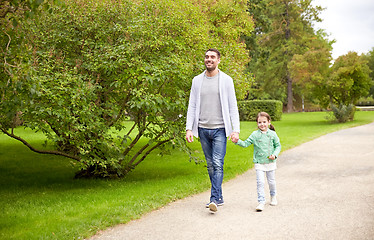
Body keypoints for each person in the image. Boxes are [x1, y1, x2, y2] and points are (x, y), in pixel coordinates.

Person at [185, 48, 240, 213]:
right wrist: (189, 128)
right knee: (210, 165)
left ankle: (214, 199)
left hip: (220, 130)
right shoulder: (196, 80)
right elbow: (192, 105)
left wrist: (235, 129)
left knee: (217, 163)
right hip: (202, 129)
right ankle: (219, 196)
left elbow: (232, 106)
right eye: (207, 57)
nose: (209, 59)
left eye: (213, 57)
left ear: (218, 60)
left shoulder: (226, 80)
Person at [232, 112, 281, 212]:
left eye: (264, 122)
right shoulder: (255, 135)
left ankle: (273, 196)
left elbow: (278, 146)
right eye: (259, 122)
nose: (262, 124)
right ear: (257, 123)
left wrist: (275, 155)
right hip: (259, 162)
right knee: (260, 182)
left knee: (271, 182)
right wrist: (237, 141)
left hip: (270, 162)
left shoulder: (272, 134)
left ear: (269, 122)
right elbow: (245, 143)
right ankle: (261, 201)